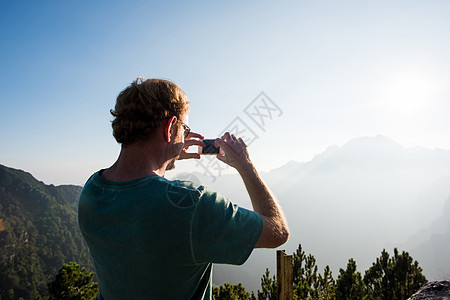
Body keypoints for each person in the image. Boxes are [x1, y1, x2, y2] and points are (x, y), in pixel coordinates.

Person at [78, 77, 289, 299]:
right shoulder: (192, 203)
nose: (186, 136)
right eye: (184, 129)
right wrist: (245, 165)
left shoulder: (92, 190)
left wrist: (167, 155)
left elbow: (138, 192)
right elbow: (278, 232)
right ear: (170, 127)